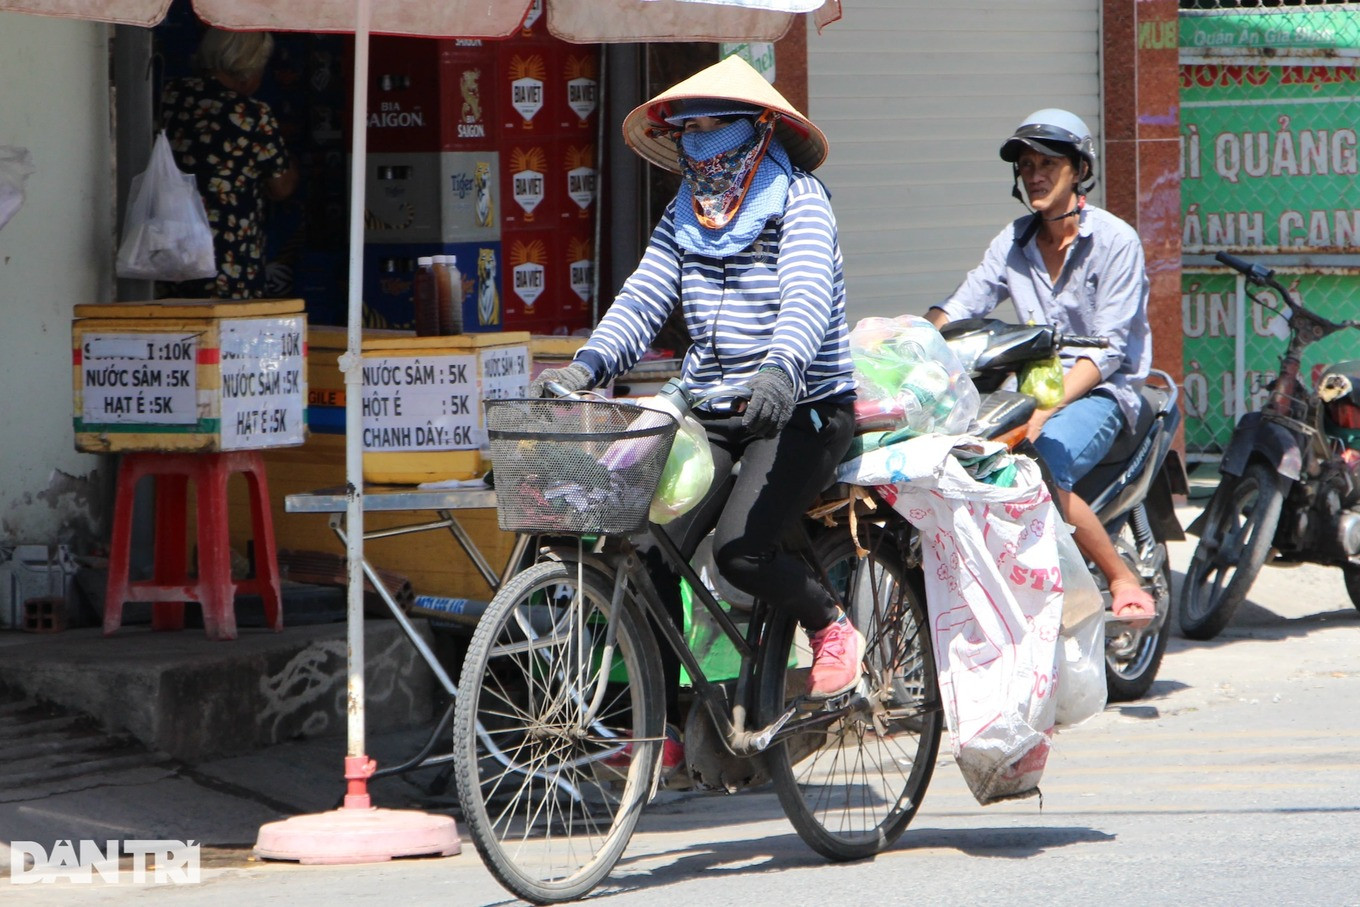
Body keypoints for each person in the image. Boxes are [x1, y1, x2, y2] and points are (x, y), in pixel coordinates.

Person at [529, 56, 863, 759]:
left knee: (741, 552)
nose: (698, 141)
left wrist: (780, 369)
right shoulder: (684, 211)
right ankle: (662, 722)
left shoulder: (801, 200)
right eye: (689, 129)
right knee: (643, 542)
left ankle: (831, 623)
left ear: (759, 130)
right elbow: (644, 298)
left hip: (799, 405)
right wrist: (588, 366)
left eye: (714, 126)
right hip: (711, 405)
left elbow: (804, 298)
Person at [925, 108, 1157, 625]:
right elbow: (962, 304)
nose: (1035, 174)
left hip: (1103, 391)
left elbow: (1111, 350)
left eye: (1048, 162)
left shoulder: (1116, 241)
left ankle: (1121, 579)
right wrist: (909, 338)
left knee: (1039, 462)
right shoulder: (1014, 240)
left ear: (1079, 170)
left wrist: (1047, 406)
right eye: (1026, 164)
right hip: (1032, 385)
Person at [160, 28, 298, 299]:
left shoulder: (168, 96)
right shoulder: (250, 114)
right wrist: (292, 161)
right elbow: (281, 186)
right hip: (226, 257)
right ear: (248, 68)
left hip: (166, 247)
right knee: (225, 335)